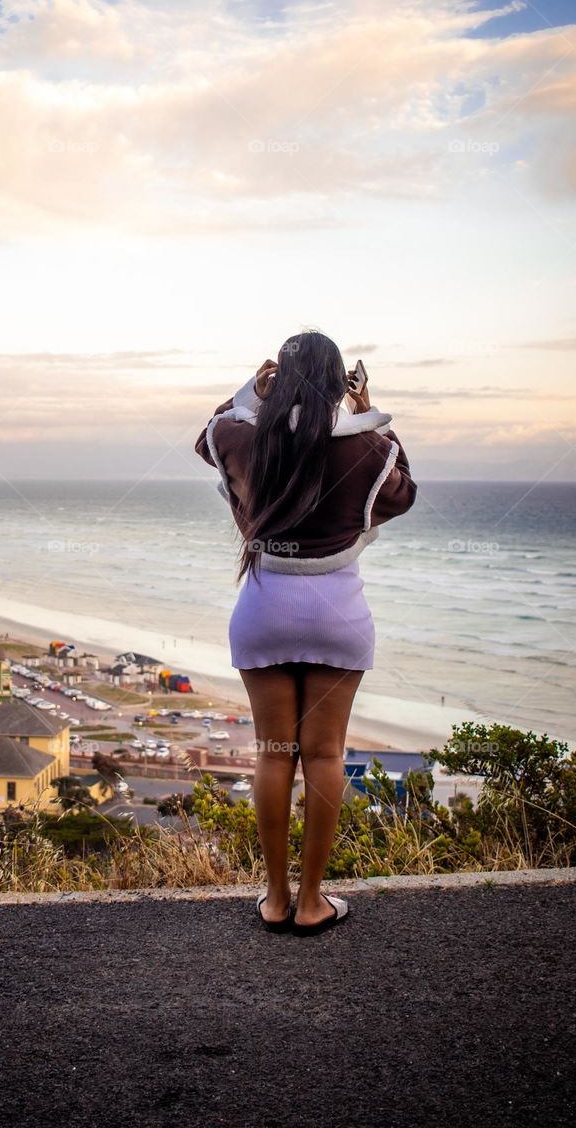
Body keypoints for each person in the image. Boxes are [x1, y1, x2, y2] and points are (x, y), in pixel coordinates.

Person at [195, 330, 416, 936]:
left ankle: (274, 898)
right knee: (324, 755)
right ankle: (313, 901)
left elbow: (206, 439)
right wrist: (365, 409)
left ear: (281, 378)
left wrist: (250, 391)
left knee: (272, 754)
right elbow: (403, 493)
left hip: (263, 610)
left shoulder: (245, 438)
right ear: (339, 379)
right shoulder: (366, 447)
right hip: (336, 613)